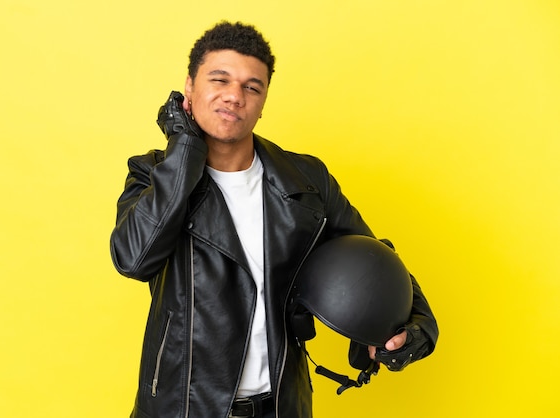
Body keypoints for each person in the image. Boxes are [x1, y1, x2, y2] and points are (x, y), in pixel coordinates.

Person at [110, 21, 438, 418]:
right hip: (182, 406)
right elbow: (133, 258)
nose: (235, 96)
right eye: (220, 79)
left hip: (283, 405)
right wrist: (184, 151)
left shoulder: (305, 180)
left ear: (263, 101)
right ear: (190, 88)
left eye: (252, 87)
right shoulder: (153, 173)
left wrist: (416, 324)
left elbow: (372, 258)